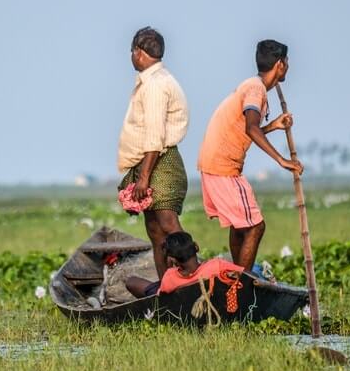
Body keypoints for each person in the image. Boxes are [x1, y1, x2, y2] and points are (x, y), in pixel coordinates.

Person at [197, 39, 303, 272]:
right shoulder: (256, 89)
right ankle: (240, 286)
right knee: (256, 227)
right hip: (222, 166)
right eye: (287, 61)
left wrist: (273, 126)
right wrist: (281, 160)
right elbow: (251, 128)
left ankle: (238, 276)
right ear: (280, 65)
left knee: (240, 225)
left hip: (216, 164)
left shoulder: (252, 86)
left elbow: (245, 128)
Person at [117, 26, 190, 278]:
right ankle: (167, 286)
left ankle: (195, 281)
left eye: (131, 51)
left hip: (162, 163)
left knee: (168, 224)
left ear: (138, 52)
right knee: (155, 230)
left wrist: (144, 177)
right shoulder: (153, 80)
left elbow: (154, 135)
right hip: (154, 160)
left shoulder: (156, 85)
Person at [126, 231, 243, 297]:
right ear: (196, 247)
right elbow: (246, 274)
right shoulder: (216, 265)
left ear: (172, 259)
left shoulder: (170, 277)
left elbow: (161, 294)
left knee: (132, 281)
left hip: (173, 290)